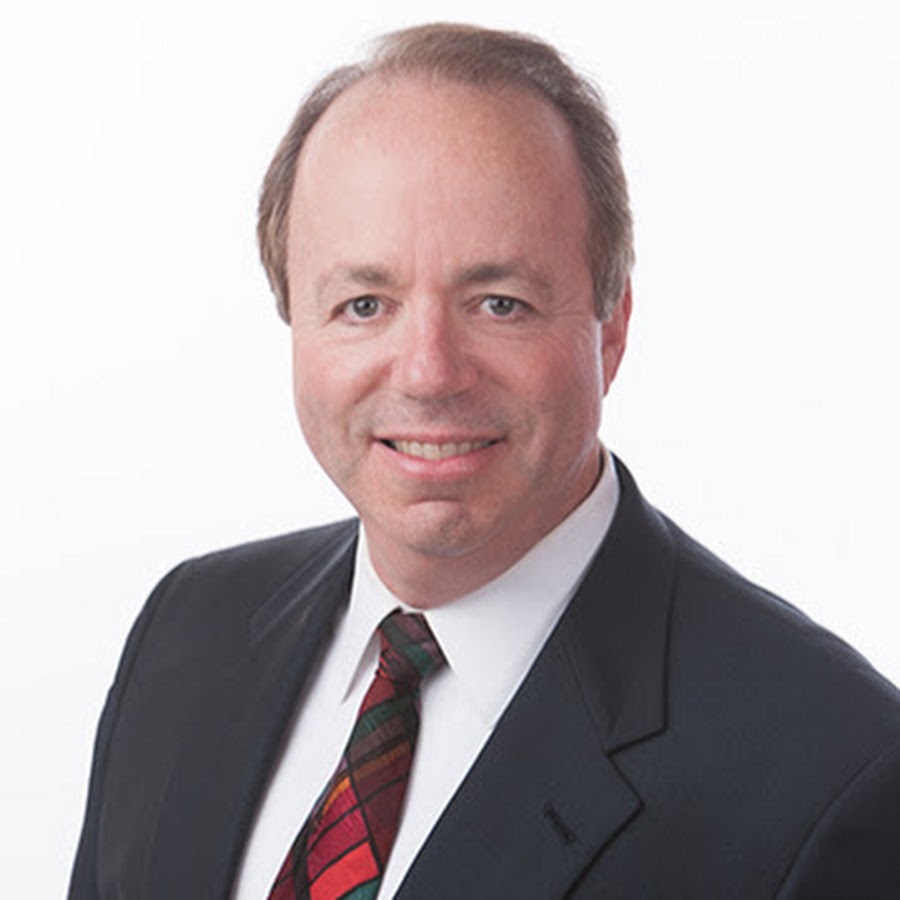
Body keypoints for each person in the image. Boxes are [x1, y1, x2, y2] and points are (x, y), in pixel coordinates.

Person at [69, 22, 900, 900]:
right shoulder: (188, 631)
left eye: (499, 303)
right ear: (294, 324)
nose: (428, 373)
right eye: (364, 304)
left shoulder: (834, 775)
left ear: (610, 330)